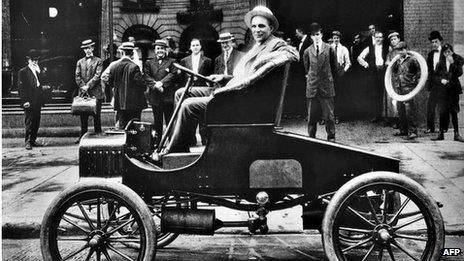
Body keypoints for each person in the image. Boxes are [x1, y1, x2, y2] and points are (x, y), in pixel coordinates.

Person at [152, 6, 298, 158]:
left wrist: (264, 61)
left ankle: (174, 151)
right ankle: (183, 145)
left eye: (261, 26)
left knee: (188, 106)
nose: (256, 30)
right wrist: (225, 78)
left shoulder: (276, 44)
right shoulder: (258, 45)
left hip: (240, 101)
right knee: (181, 93)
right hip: (233, 91)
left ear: (271, 27)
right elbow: (246, 75)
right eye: (254, 26)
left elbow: (291, 54)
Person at [303, 22, 336, 141]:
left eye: (317, 34)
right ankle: (311, 138)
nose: (316, 37)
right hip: (312, 87)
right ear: (310, 37)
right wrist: (311, 80)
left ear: (321, 34)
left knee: (329, 116)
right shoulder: (307, 51)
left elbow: (334, 67)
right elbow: (307, 69)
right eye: (313, 35)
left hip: (326, 86)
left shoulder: (329, 49)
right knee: (311, 116)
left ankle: (331, 137)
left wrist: (329, 80)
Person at [144, 39, 177, 145]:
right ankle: (157, 143)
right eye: (158, 49)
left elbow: (173, 74)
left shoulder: (172, 61)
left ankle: (171, 141)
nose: (160, 51)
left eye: (162, 49)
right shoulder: (149, 62)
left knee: (169, 121)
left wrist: (161, 83)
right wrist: (156, 85)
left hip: (168, 96)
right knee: (157, 121)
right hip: (155, 96)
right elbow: (146, 76)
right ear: (155, 50)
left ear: (165, 50)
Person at [107, 42, 147, 128]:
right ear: (132, 53)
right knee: (134, 126)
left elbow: (110, 82)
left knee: (122, 126)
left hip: (119, 102)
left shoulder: (114, 66)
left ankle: (123, 141)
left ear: (122, 52)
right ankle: (132, 141)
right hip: (134, 103)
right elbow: (141, 84)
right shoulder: (134, 67)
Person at [431, 44, 464, 142]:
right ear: (443, 53)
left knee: (454, 111)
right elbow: (434, 77)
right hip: (443, 90)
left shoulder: (457, 61)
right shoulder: (440, 63)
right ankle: (441, 133)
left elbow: (459, 73)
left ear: (452, 52)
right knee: (442, 111)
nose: (447, 54)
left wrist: (452, 63)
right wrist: (441, 80)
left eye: (449, 51)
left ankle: (456, 134)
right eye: (445, 52)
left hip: (453, 90)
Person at [18, 49, 50, 150]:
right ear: (28, 60)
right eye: (33, 60)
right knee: (29, 121)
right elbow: (21, 88)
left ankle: (33, 140)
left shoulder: (38, 70)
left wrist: (40, 72)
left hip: (38, 99)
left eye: (36, 60)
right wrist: (24, 101)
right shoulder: (23, 71)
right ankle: (28, 141)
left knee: (36, 120)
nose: (35, 62)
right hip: (29, 100)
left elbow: (43, 82)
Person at [74, 39, 104, 143]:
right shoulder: (80, 62)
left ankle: (98, 136)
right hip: (83, 93)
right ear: (83, 50)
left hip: (95, 92)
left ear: (93, 48)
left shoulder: (98, 61)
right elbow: (77, 76)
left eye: (89, 48)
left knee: (96, 116)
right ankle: (83, 136)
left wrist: (88, 86)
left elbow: (98, 75)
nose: (88, 50)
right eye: (86, 48)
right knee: (83, 117)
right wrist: (83, 86)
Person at [391, 42, 420, 140]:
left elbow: (418, 72)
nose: (399, 52)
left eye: (401, 50)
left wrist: (414, 82)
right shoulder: (398, 61)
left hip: (408, 88)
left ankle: (413, 131)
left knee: (409, 110)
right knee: (400, 109)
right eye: (398, 50)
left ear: (405, 49)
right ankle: (403, 130)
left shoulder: (412, 60)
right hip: (399, 88)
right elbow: (394, 71)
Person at [358, 31, 388, 122]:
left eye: (380, 37)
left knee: (386, 94)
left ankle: (387, 116)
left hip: (385, 72)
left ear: (382, 38)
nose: (378, 39)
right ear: (374, 38)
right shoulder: (369, 48)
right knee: (376, 94)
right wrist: (366, 64)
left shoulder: (387, 48)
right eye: (377, 37)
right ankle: (377, 115)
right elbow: (359, 58)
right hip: (374, 73)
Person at [425, 31, 446, 134]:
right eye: (432, 42)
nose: (434, 44)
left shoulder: (446, 52)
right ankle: (430, 128)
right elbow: (429, 71)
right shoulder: (430, 54)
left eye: (436, 41)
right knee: (430, 106)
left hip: (443, 84)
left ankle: (443, 128)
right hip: (434, 84)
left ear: (440, 41)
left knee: (442, 106)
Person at [331, 30, 351, 123]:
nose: (336, 39)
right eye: (334, 38)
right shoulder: (329, 48)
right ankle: (328, 116)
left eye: (337, 38)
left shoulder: (344, 49)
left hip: (340, 73)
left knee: (339, 94)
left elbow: (348, 63)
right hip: (330, 73)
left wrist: (343, 71)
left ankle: (337, 116)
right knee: (330, 94)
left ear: (340, 39)